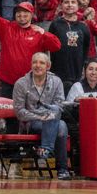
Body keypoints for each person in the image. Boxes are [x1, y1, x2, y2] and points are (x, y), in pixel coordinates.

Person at [0, 0, 59, 97]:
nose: (21, 15)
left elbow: (56, 46)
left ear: (32, 15)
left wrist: (44, 33)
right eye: (18, 12)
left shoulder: (39, 33)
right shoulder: (6, 28)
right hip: (8, 82)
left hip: (31, 82)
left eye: (25, 12)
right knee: (7, 111)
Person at [11, 52, 73, 180]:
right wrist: (40, 117)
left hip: (51, 120)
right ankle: (61, 168)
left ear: (48, 66)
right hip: (31, 123)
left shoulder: (56, 82)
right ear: (31, 65)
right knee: (60, 125)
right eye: (35, 62)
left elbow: (60, 106)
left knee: (60, 124)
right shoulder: (21, 83)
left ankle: (45, 150)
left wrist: (48, 116)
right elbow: (19, 112)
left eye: (41, 63)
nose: (37, 65)